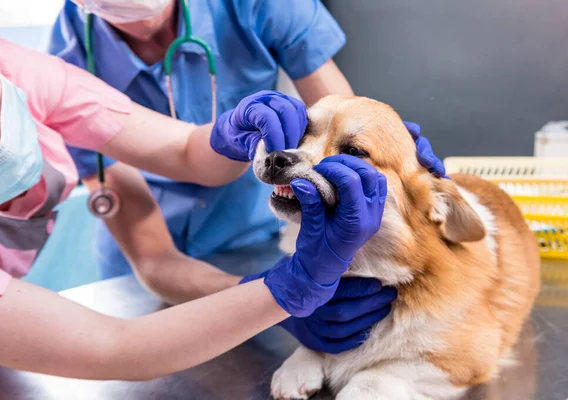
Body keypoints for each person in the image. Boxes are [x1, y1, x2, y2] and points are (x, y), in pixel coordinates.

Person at [0, 29, 392, 378]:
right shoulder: (72, 45)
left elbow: (183, 149)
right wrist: (287, 291)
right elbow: (114, 347)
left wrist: (229, 134)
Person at [47, 0, 445, 354]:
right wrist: (269, 298)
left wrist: (381, 147)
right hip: (144, 269)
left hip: (258, 234)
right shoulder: (67, 66)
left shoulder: (259, 5)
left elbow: (343, 115)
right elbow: (154, 261)